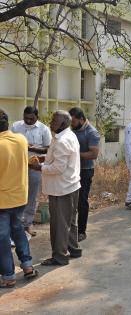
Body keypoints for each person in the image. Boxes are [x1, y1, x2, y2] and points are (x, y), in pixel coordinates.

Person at [29, 111, 82, 266]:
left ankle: (59, 257)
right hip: (71, 186)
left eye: (54, 120)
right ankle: (74, 249)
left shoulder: (62, 140)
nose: (51, 123)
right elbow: (57, 158)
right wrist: (43, 159)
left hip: (61, 189)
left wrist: (39, 167)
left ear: (64, 123)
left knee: (59, 224)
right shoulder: (67, 136)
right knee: (70, 222)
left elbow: (58, 168)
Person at [0, 109, 38, 288]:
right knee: (18, 230)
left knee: (2, 238)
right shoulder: (21, 140)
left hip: (2, 201)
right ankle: (28, 266)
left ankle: (8, 276)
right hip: (20, 197)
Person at [11, 106, 52, 237]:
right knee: (16, 193)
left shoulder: (44, 129)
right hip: (17, 166)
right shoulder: (16, 126)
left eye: (31, 118)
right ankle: (15, 224)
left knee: (32, 196)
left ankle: (27, 224)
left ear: (37, 117)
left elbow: (48, 148)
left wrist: (32, 147)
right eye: (26, 118)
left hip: (35, 166)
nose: (28, 120)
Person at [68, 107, 100, 242]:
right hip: (71, 169)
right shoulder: (72, 130)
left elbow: (93, 154)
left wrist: (75, 154)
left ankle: (81, 231)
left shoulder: (91, 132)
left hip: (85, 171)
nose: (72, 125)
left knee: (81, 201)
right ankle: (71, 229)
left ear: (81, 119)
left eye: (74, 122)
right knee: (70, 201)